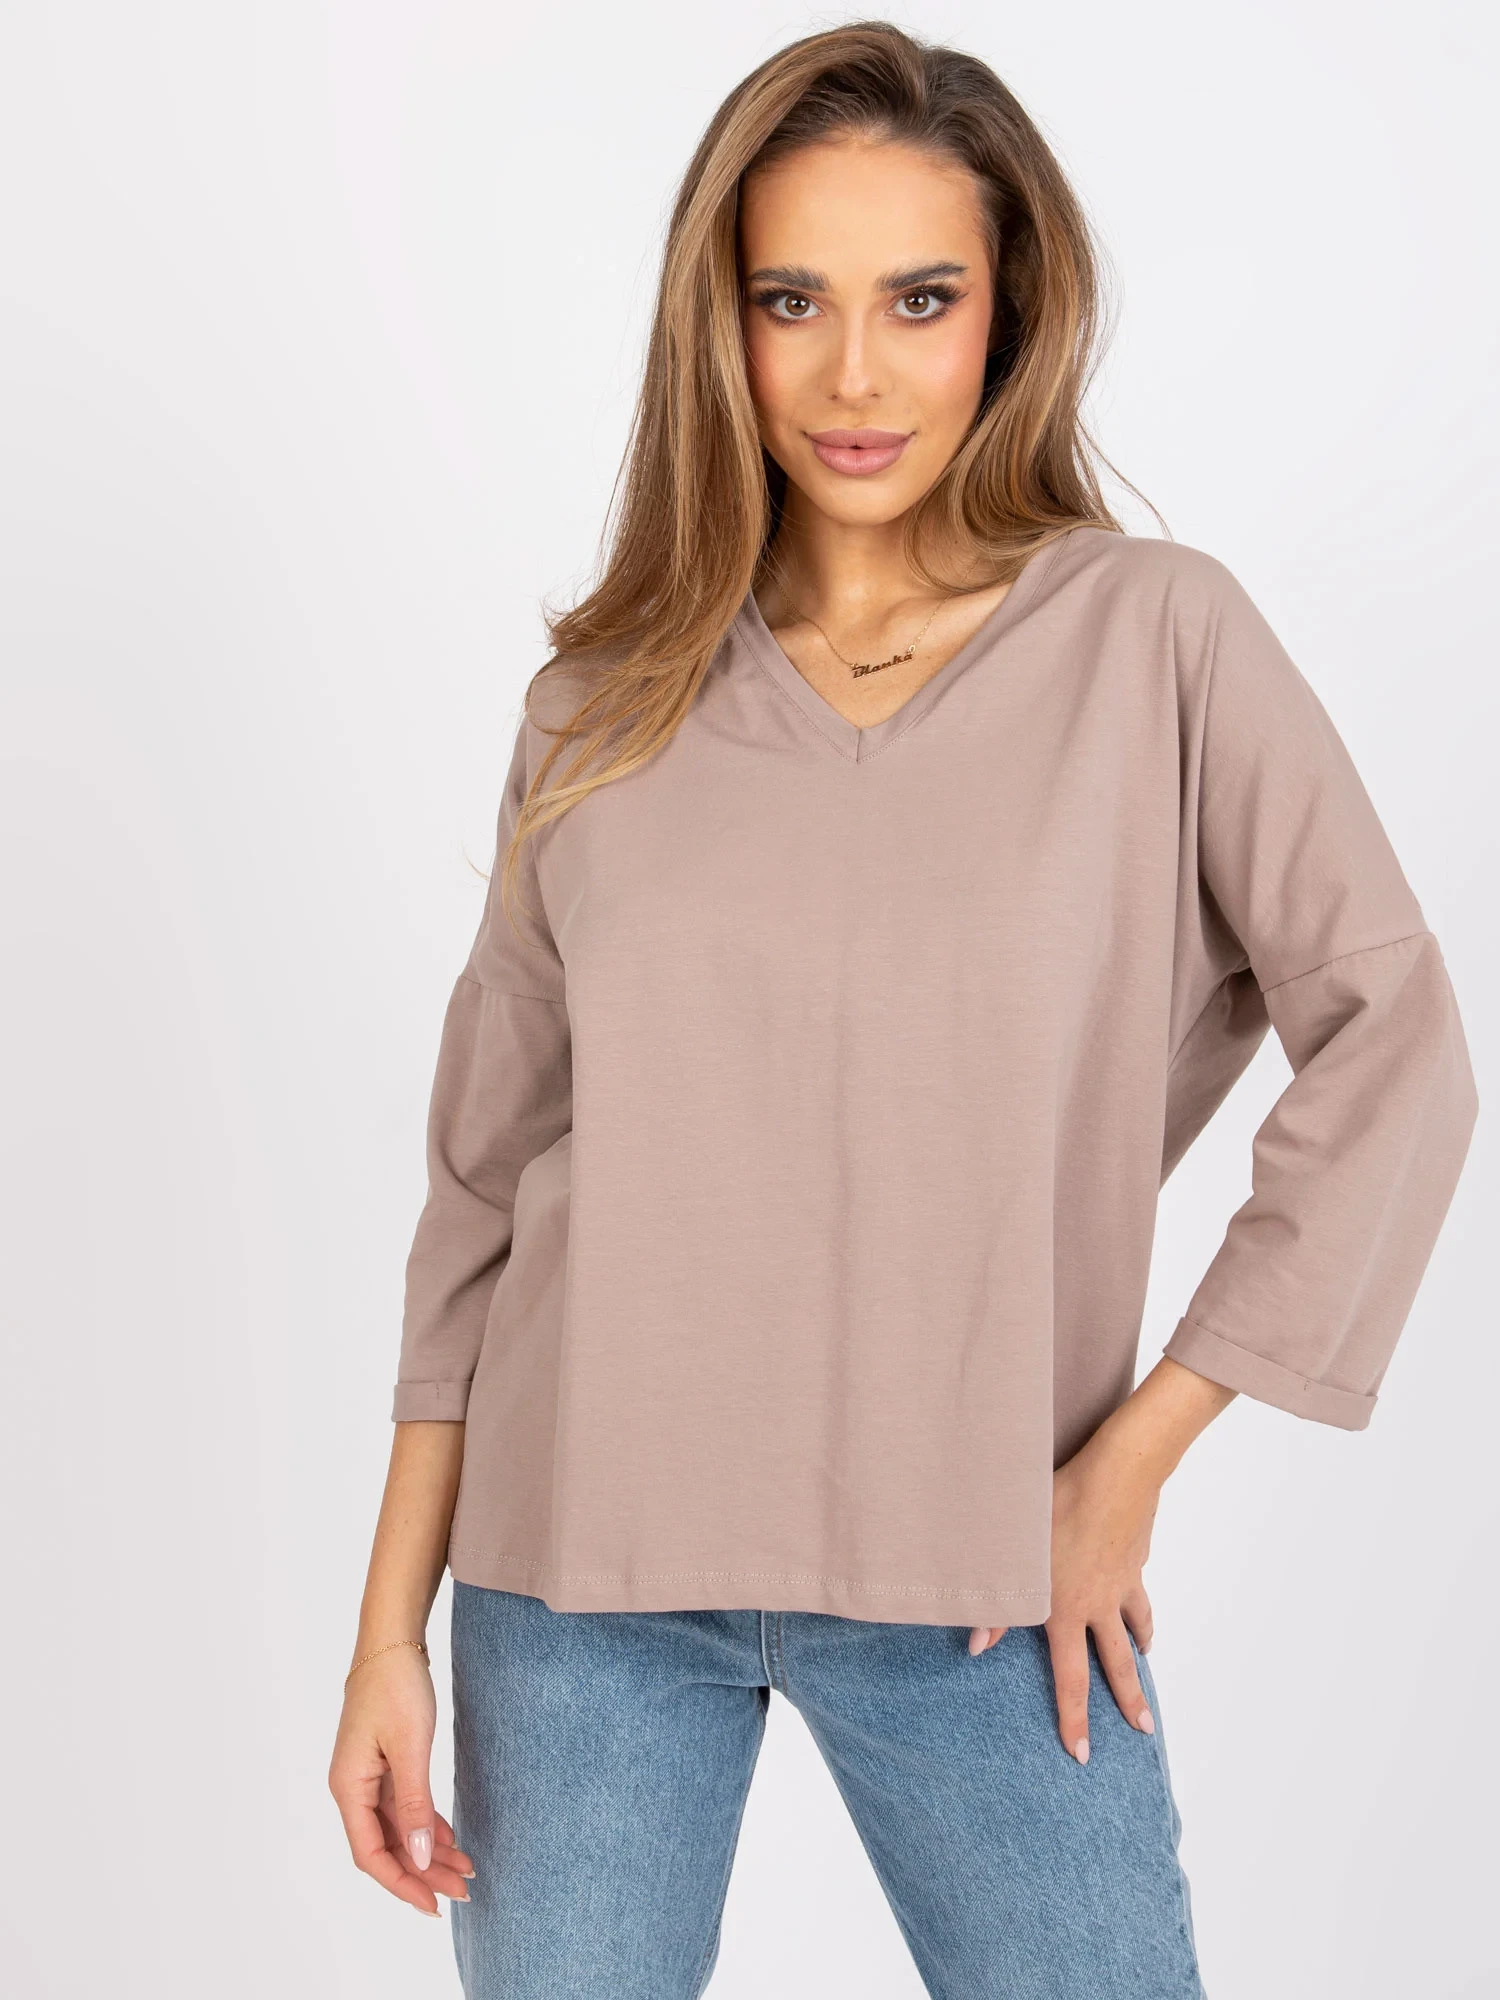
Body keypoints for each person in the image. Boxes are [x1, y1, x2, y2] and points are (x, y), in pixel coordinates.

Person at [327, 22, 1478, 1998]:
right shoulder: (599, 702)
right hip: (574, 1585)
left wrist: (1128, 1464)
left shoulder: (1157, 640)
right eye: (792, 301)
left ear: (1011, 312)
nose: (853, 374)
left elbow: (1399, 1042)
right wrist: (385, 1632)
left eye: (919, 300)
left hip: (989, 1582)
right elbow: (483, 1188)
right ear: (719, 326)